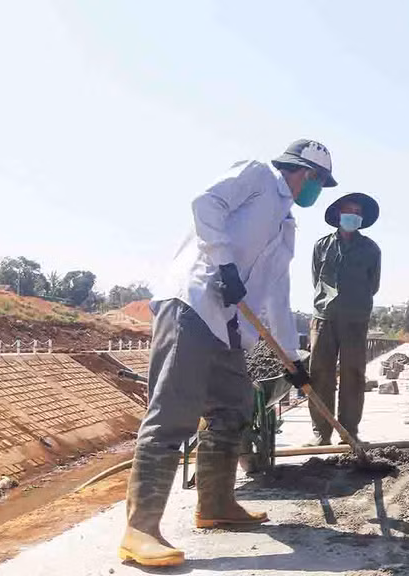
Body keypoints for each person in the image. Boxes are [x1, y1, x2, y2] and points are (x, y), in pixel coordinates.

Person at [119, 139, 337, 567]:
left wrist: (292, 357)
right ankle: (139, 529)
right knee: (172, 413)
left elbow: (277, 291)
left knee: (234, 406)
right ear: (305, 172)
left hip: (229, 326)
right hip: (194, 303)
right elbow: (206, 203)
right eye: (319, 182)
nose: (317, 191)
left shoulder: (285, 225)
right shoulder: (257, 175)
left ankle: (215, 505)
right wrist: (224, 265)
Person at [306, 193, 381, 445]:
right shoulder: (321, 246)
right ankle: (321, 431)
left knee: (353, 374)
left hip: (355, 319)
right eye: (348, 210)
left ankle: (349, 430)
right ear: (338, 214)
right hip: (323, 317)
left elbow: (373, 284)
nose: (353, 215)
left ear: (361, 218)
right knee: (320, 373)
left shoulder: (371, 249)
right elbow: (317, 279)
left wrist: (353, 302)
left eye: (357, 212)